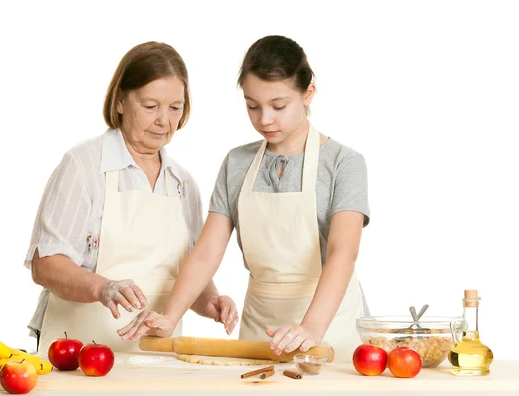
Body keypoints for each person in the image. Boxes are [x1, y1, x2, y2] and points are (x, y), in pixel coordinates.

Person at [117, 35, 371, 362]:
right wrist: (169, 317)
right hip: (259, 332)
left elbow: (342, 253)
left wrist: (310, 329)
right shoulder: (237, 163)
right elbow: (207, 251)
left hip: (329, 328)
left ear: (308, 93)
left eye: (278, 106)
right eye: (253, 105)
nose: (264, 119)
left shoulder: (344, 164)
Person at [24, 41, 238, 355]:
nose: (164, 121)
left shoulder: (183, 184)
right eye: (151, 106)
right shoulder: (83, 166)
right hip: (78, 353)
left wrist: (211, 302)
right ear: (121, 101)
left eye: (175, 108)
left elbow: (183, 271)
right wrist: (102, 288)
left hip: (158, 359)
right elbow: (45, 265)